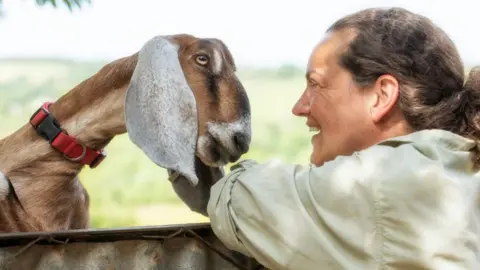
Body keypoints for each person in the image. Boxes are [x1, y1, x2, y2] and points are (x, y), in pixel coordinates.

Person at [196, 7, 480, 269]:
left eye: (315, 84)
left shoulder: (389, 182)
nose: (300, 107)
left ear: (381, 96)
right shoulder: (457, 169)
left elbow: (240, 201)